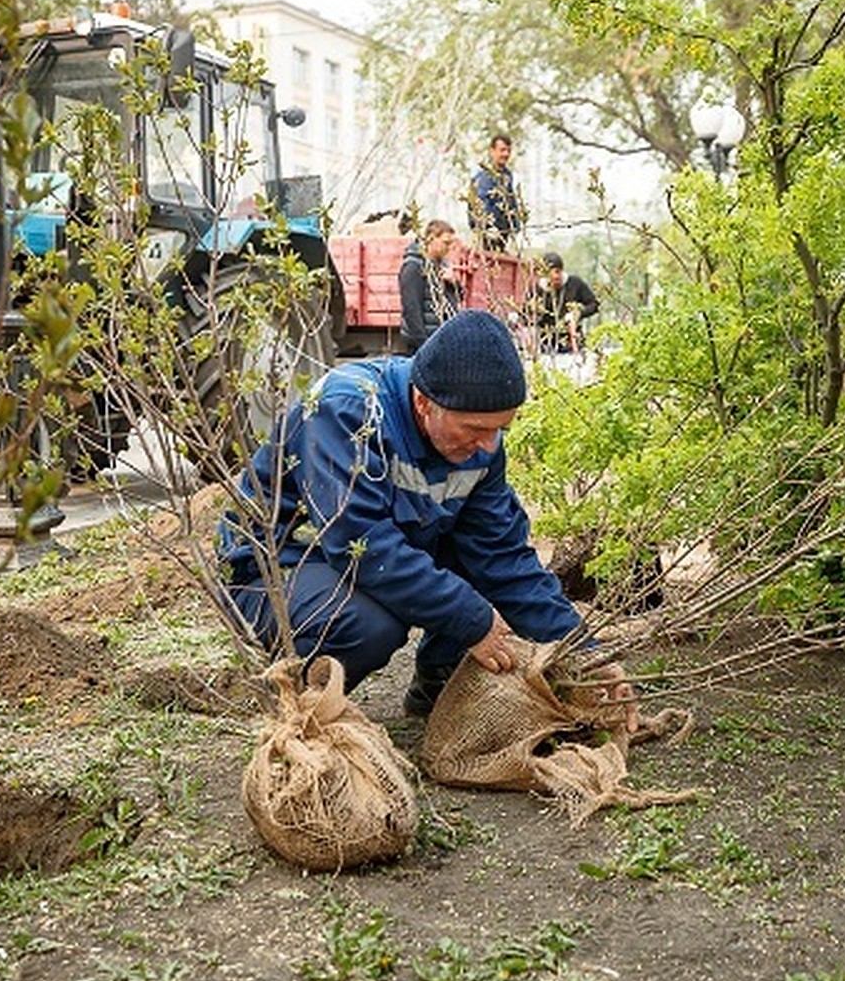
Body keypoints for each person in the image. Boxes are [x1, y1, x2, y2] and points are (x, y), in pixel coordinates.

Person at [217, 309, 638, 724]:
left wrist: (585, 655)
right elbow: (359, 545)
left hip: (361, 560)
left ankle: (441, 684)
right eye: (475, 430)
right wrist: (471, 620)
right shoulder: (348, 410)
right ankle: (296, 700)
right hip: (276, 569)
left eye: (499, 431)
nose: (489, 446)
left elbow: (504, 559)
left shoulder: (481, 445)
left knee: (482, 577)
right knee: (372, 625)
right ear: (423, 403)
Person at [398, 218, 462, 354]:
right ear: (431, 238)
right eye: (446, 243)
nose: (449, 248)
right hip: (424, 343)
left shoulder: (442, 265)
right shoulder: (413, 266)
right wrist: (424, 345)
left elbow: (457, 300)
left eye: (451, 243)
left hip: (441, 338)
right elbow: (411, 309)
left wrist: (454, 283)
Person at [531, 253, 600, 354]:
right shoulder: (537, 288)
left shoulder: (575, 283)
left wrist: (579, 312)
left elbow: (594, 305)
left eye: (559, 273)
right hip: (547, 345)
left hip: (572, 343)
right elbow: (526, 314)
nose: (556, 277)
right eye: (553, 275)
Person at [467, 133, 526, 251]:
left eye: (508, 151)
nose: (506, 154)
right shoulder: (482, 177)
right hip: (487, 234)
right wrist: (486, 227)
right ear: (492, 151)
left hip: (504, 234)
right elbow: (479, 204)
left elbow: (511, 201)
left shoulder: (507, 176)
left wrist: (516, 225)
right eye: (502, 150)